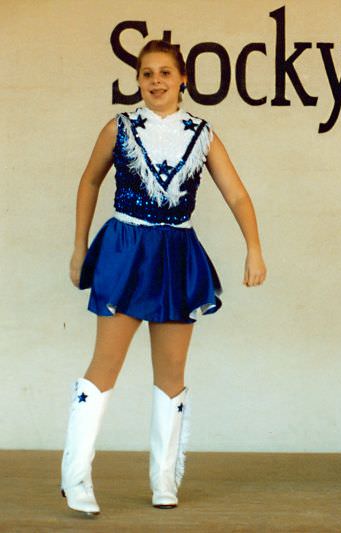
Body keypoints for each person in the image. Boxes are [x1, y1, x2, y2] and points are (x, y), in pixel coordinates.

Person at [61, 39, 267, 515]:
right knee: (104, 365)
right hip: (126, 249)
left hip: (176, 253)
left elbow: (237, 194)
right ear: (137, 79)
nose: (156, 81)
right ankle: (75, 478)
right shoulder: (119, 127)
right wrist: (79, 246)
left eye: (165, 73)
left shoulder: (203, 134)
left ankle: (163, 479)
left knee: (171, 373)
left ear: (183, 80)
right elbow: (90, 180)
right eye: (147, 73)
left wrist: (253, 248)